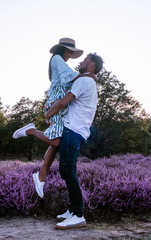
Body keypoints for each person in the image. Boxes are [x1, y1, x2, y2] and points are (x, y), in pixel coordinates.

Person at [12, 38, 96, 198]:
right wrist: (90, 76)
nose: (71, 54)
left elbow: (74, 78)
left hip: (60, 99)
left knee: (57, 142)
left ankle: (41, 175)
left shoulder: (61, 62)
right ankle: (30, 130)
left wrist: (89, 77)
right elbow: (71, 77)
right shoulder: (57, 59)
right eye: (70, 51)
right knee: (56, 141)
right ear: (63, 49)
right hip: (57, 99)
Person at [45, 53, 103, 229]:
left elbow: (63, 102)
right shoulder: (89, 80)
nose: (82, 61)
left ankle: (78, 215)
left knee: (67, 171)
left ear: (91, 64)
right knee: (69, 170)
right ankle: (72, 211)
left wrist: (48, 113)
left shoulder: (84, 81)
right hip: (78, 130)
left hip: (73, 129)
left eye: (85, 60)